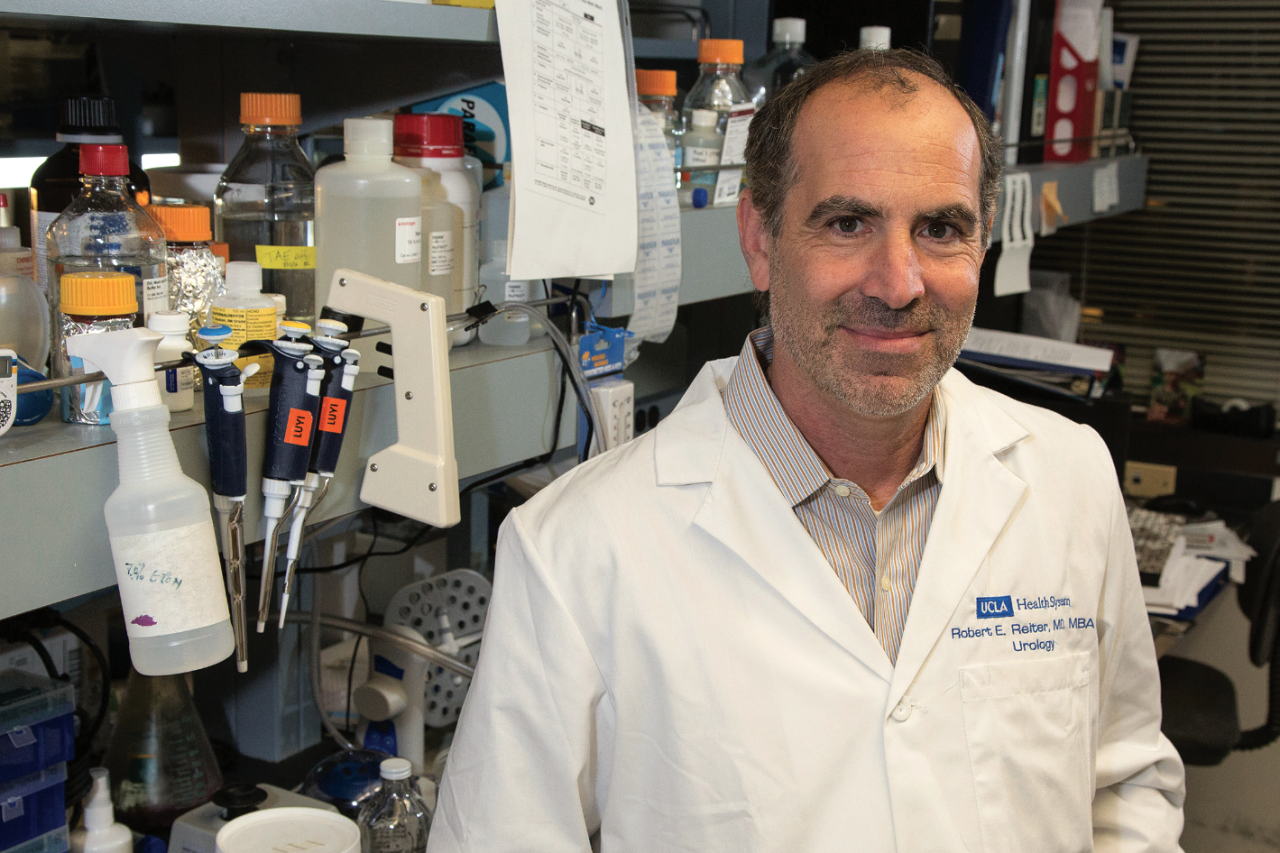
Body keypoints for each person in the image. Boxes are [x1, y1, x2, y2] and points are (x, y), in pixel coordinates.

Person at [427, 49, 1185, 852]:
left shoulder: (1070, 477)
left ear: (983, 242)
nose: (898, 284)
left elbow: (1124, 783)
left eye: (939, 228)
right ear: (759, 237)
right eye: (847, 223)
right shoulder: (575, 553)